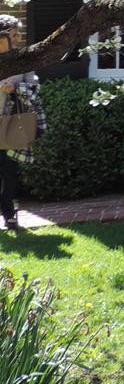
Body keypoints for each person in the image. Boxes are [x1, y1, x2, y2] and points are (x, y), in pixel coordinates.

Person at [0, 15, 47, 232]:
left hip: (11, 124)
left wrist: (16, 89)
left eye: (18, 34)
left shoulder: (23, 60)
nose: (18, 39)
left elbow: (36, 90)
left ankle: (10, 216)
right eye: (13, 35)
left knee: (9, 172)